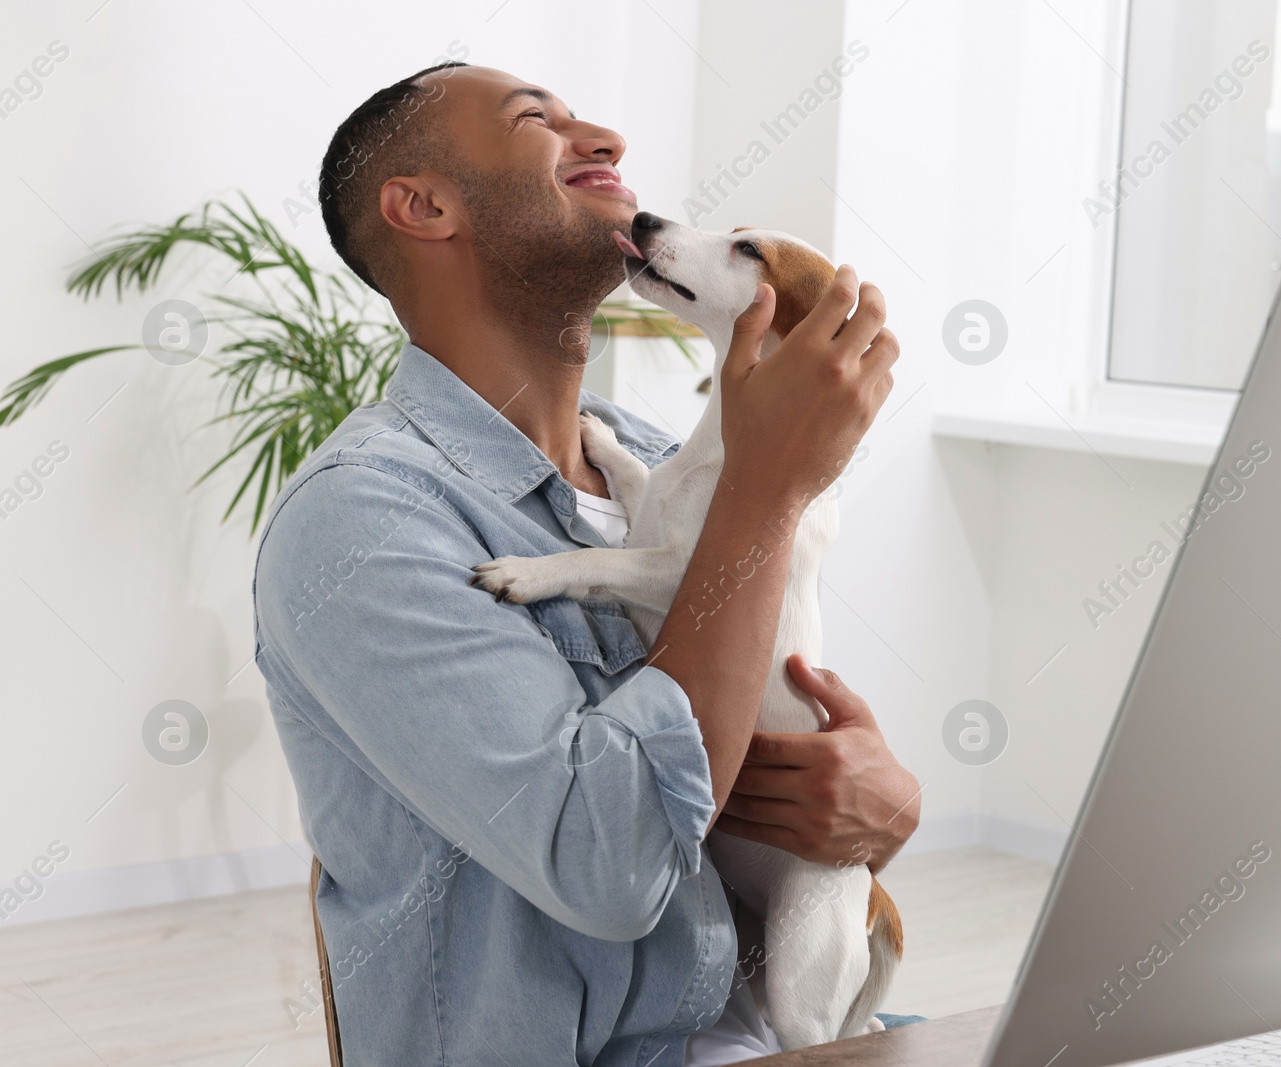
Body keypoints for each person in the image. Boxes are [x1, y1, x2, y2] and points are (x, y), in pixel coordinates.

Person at [251, 61, 915, 1066]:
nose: (605, 136)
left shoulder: (651, 451)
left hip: (791, 1034)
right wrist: (764, 498)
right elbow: (611, 868)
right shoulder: (362, 521)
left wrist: (881, 807)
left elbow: (783, 719)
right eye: (540, 121)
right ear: (423, 206)